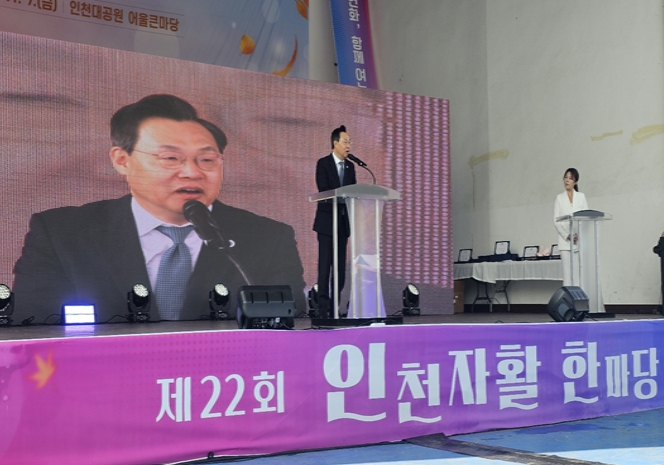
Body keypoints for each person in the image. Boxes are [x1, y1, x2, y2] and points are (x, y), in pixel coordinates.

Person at [12, 94, 306, 323]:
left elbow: (289, 325)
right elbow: (34, 328)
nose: (191, 172)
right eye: (170, 158)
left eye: (207, 160)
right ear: (122, 160)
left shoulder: (267, 238)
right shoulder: (63, 234)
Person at [312, 125, 357, 318]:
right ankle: (322, 310)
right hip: (326, 223)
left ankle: (334, 309)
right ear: (335, 143)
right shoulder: (323, 163)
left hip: (342, 224)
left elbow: (353, 192)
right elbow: (324, 190)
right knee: (325, 268)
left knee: (340, 270)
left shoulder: (350, 167)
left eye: (350, 142)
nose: (349, 146)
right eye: (345, 142)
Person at [554, 167, 588, 286]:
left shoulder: (581, 197)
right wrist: (568, 235)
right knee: (567, 274)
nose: (567, 180)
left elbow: (585, 217)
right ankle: (568, 297)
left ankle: (579, 296)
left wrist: (578, 235)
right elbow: (556, 220)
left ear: (576, 182)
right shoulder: (559, 198)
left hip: (578, 240)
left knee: (578, 273)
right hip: (565, 241)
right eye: (565, 177)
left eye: (570, 178)